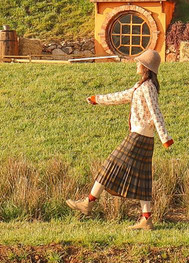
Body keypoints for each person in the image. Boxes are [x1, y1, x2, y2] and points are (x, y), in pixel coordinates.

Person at [67, 48, 173, 230]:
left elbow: (156, 112)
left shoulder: (147, 88)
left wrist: (165, 137)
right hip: (144, 138)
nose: (137, 64)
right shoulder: (141, 86)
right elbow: (121, 96)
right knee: (143, 178)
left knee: (111, 165)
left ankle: (89, 203)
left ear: (146, 67)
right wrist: (97, 99)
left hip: (138, 137)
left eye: (139, 62)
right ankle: (146, 219)